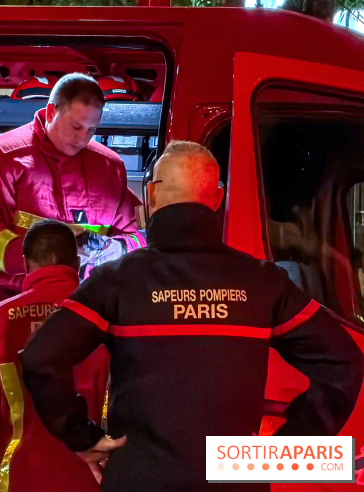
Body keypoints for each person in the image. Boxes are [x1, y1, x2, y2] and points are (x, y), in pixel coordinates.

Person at [21, 140, 364, 491]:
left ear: (151, 195)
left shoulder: (116, 281)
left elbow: (40, 358)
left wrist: (82, 437)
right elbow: (344, 363)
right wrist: (278, 451)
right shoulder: (262, 282)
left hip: (139, 477)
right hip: (234, 479)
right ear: (217, 198)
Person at [0, 220, 109, 492]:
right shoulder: (107, 318)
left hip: (14, 478)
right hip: (95, 477)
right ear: (77, 262)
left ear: (25, 263)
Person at [0, 73, 145, 312]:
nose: (82, 138)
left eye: (92, 129)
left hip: (87, 305)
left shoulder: (110, 166)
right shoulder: (3, 157)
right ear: (50, 112)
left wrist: (116, 249)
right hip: (11, 304)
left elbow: (135, 237)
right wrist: (43, 258)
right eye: (75, 126)